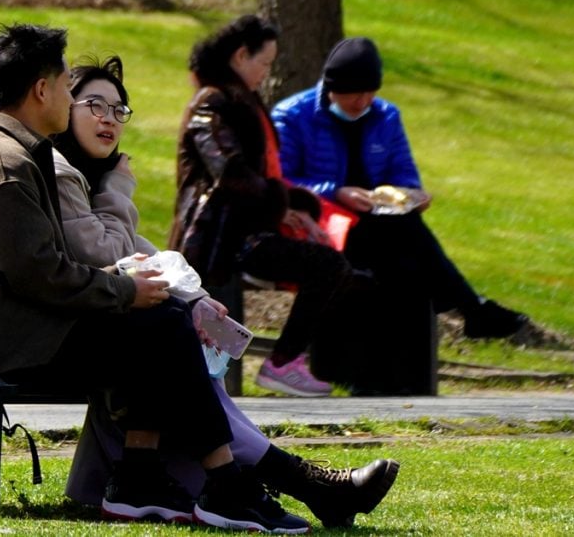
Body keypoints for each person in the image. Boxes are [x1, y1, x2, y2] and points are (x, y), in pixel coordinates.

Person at [0, 23, 302, 530]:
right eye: (64, 85)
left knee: (159, 320)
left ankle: (145, 476)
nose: (67, 95)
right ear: (41, 90)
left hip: (10, 329)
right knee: (156, 324)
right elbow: (43, 275)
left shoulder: (14, 154)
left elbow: (46, 270)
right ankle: (222, 482)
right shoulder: (3, 165)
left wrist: (136, 291)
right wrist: (124, 291)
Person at [53, 56, 400, 529]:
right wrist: (118, 188)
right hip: (68, 336)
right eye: (94, 104)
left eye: (118, 110)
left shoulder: (93, 179)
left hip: (110, 327)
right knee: (167, 340)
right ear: (58, 106)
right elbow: (106, 252)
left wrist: (196, 299)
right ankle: (304, 484)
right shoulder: (61, 175)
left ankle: (162, 480)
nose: (108, 119)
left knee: (177, 336)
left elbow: (139, 253)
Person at [273, 36, 530, 356]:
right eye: (355, 93)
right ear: (332, 88)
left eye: (370, 93)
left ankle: (461, 318)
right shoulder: (292, 116)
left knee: (406, 238)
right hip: (323, 223)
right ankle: (471, 308)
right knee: (407, 240)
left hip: (377, 222)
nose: (363, 101)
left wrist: (410, 194)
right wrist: (336, 192)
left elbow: (403, 171)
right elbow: (282, 181)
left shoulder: (386, 116)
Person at [173, 14, 352, 398]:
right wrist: (280, 202)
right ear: (241, 56)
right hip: (221, 239)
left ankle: (281, 362)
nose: (266, 73)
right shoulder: (212, 102)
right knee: (327, 264)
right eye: (265, 63)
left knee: (337, 263)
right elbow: (230, 171)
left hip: (249, 230)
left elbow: (262, 175)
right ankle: (282, 363)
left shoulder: (244, 102)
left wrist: (295, 206)